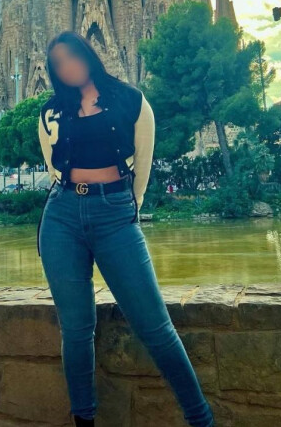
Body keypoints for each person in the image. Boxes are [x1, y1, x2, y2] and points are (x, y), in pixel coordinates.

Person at [37, 31, 215, 427]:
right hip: (62, 216)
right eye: (57, 63)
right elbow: (53, 166)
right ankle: (84, 419)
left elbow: (143, 166)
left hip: (115, 212)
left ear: (88, 54)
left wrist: (124, 207)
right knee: (76, 330)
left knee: (155, 326)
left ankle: (201, 419)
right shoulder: (50, 112)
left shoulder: (131, 100)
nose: (67, 67)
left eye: (72, 56)